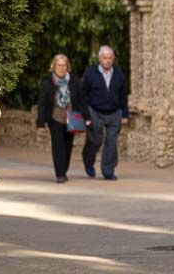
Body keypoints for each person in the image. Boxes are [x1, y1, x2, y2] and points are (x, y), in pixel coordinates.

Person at [36, 54, 86, 183]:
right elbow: (42, 103)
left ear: (67, 67)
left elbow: (82, 100)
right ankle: (60, 174)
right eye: (59, 65)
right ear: (53, 66)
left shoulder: (74, 81)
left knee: (68, 145)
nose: (61, 68)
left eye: (64, 65)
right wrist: (40, 123)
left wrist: (86, 117)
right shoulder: (48, 82)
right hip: (55, 117)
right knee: (58, 145)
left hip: (71, 117)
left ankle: (64, 169)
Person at [81, 45, 129, 180]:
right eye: (104, 58)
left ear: (113, 59)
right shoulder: (90, 73)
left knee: (111, 142)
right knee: (96, 139)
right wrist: (86, 115)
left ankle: (108, 171)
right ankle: (88, 160)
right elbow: (83, 94)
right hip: (95, 111)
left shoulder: (119, 73)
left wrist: (124, 114)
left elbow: (123, 95)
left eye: (110, 58)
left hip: (114, 112)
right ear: (99, 59)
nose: (107, 61)